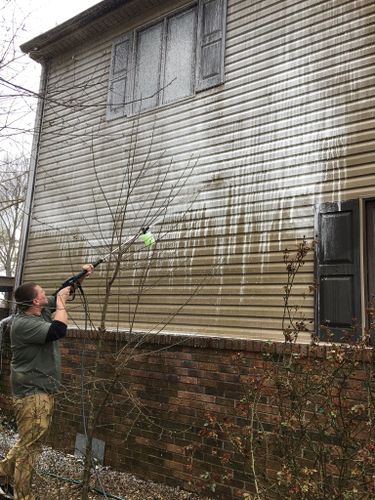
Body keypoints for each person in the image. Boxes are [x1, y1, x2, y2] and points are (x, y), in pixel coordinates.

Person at [0, 264, 93, 499]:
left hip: (42, 390)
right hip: (32, 392)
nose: (46, 295)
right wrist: (61, 302)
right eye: (42, 293)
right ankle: (21, 495)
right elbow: (58, 329)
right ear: (33, 302)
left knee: (30, 442)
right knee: (29, 448)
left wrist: (80, 277)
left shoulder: (37, 311)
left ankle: (2, 473)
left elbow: (63, 290)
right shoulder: (23, 324)